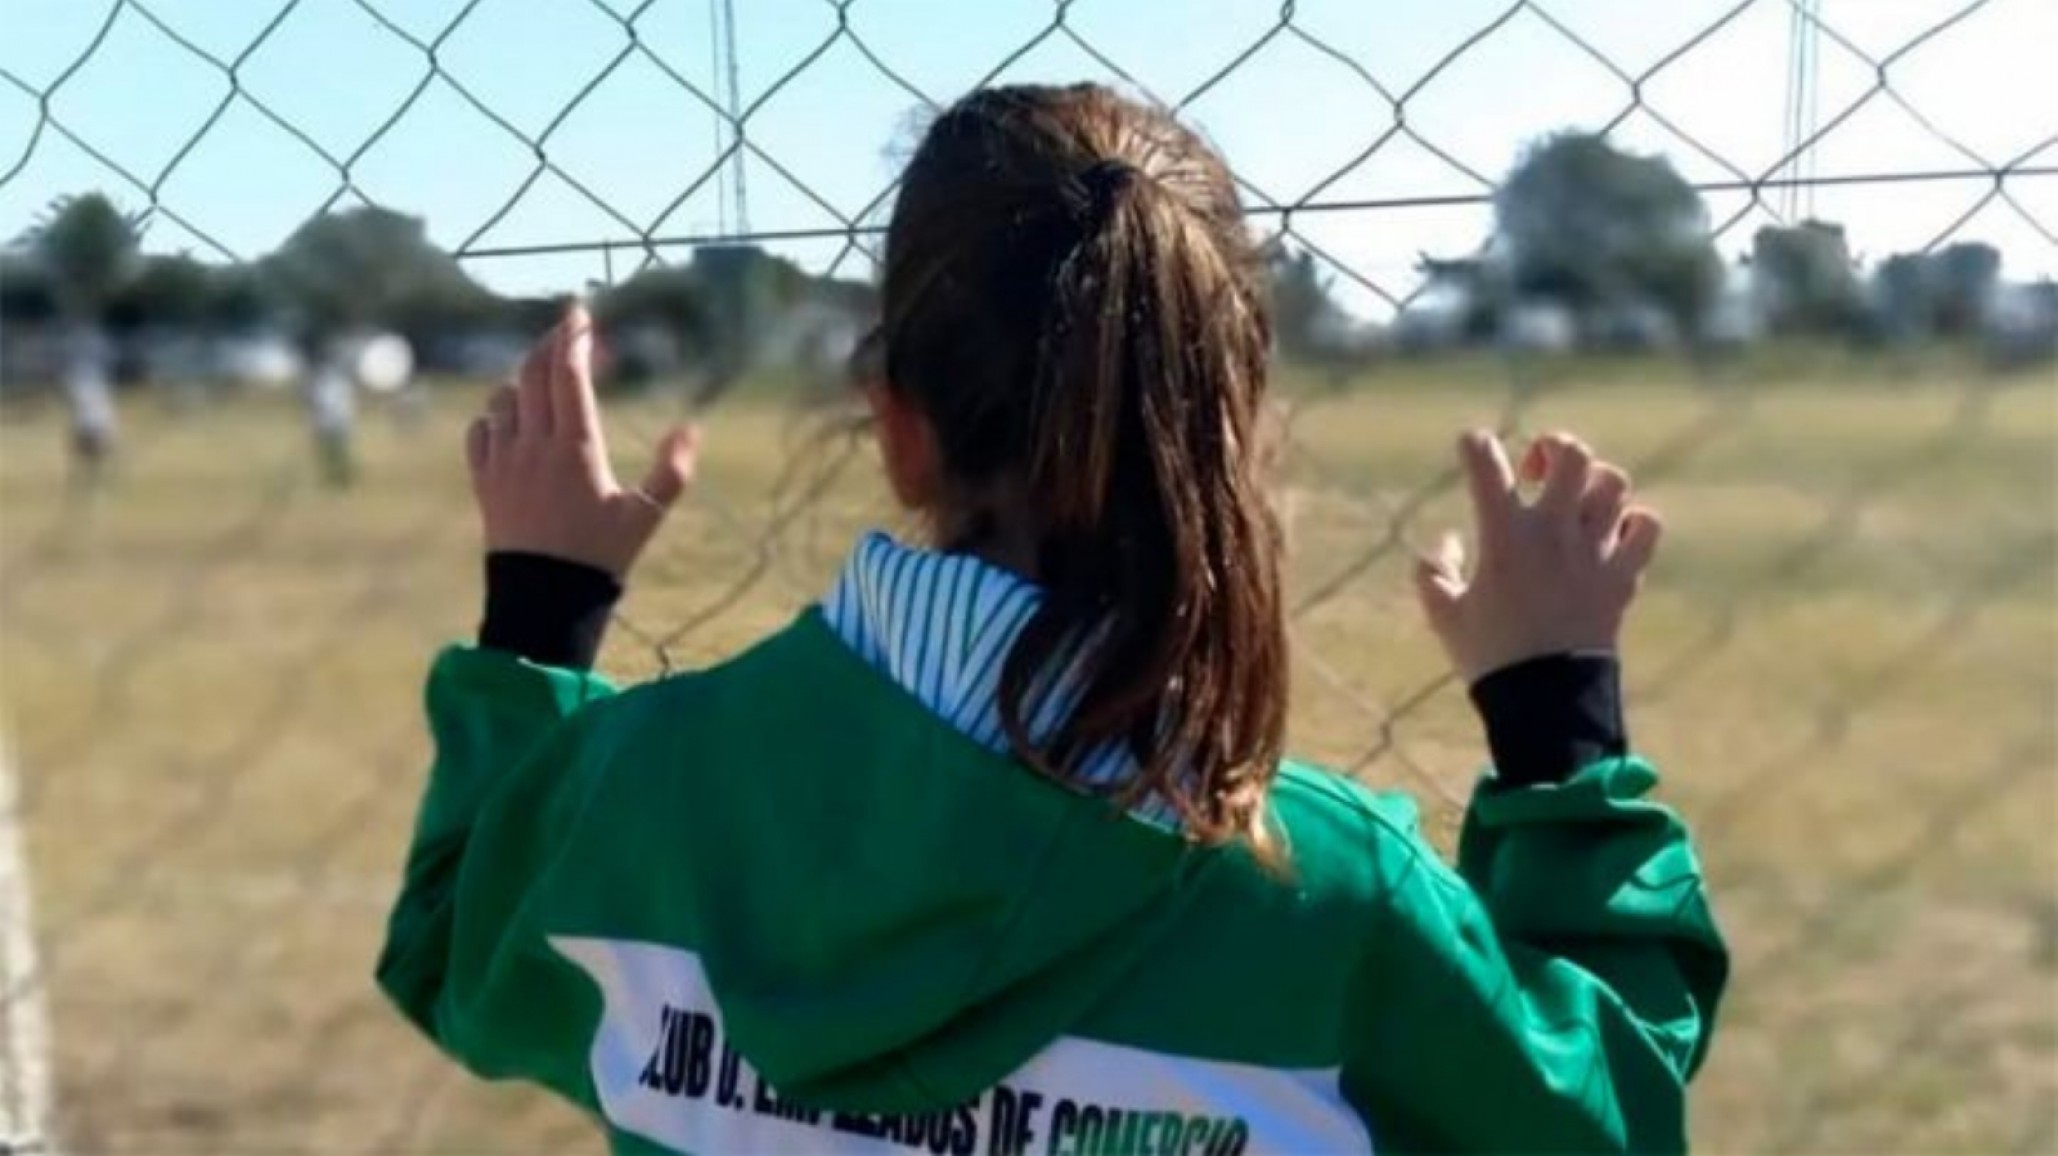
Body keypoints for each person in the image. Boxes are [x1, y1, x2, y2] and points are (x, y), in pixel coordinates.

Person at [377, 84, 1727, 1155]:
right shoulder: (1329, 901)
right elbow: (1598, 1117)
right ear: (1235, 434)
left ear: (894, 426)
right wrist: (1555, 719)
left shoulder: (639, 796)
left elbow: (457, 951)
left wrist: (541, 610)